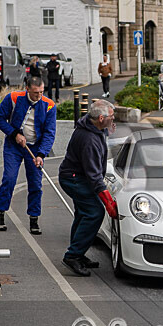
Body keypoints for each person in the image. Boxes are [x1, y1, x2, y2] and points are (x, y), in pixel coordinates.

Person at [58, 99, 117, 276]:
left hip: (76, 176)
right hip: (74, 179)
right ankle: (73, 255)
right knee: (94, 212)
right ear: (101, 118)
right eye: (111, 117)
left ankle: (78, 252)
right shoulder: (89, 139)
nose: (113, 120)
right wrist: (107, 201)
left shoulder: (94, 127)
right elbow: (93, 175)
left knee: (83, 213)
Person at [0, 77, 57, 235]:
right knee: (9, 178)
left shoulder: (49, 105)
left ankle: (34, 218)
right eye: (35, 93)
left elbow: (49, 133)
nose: (39, 96)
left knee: (35, 183)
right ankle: (0, 213)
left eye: (41, 92)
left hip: (35, 148)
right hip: (14, 145)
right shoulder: (13, 98)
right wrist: (14, 134)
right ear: (27, 89)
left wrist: (41, 154)